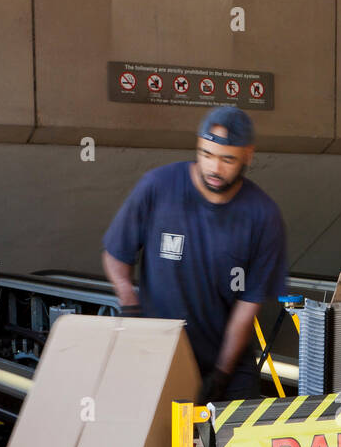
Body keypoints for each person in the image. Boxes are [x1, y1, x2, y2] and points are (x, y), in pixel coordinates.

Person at [101, 107, 287, 404]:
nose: (215, 168)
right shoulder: (157, 188)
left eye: (228, 159)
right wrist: (130, 304)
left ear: (248, 156)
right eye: (207, 154)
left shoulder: (263, 215)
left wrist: (222, 373)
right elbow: (116, 253)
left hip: (228, 363)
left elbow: (247, 305)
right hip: (160, 358)